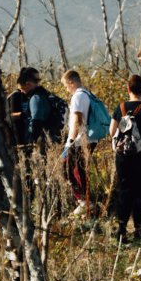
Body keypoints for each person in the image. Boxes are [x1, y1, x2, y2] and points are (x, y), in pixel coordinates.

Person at [110, 75, 141, 242]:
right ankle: (138, 229)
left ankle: (121, 228)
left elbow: (111, 132)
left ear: (128, 90)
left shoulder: (121, 108)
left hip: (123, 157)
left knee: (124, 190)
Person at [60, 69, 97, 216]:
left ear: (71, 82)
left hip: (80, 140)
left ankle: (84, 201)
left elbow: (77, 119)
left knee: (67, 168)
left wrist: (70, 140)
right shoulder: (87, 93)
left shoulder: (77, 96)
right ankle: (86, 202)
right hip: (88, 138)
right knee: (79, 169)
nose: (66, 89)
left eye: (65, 85)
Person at [8, 67, 62, 147]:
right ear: (28, 83)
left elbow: (37, 122)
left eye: (38, 81)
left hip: (40, 140)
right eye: (36, 81)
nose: (37, 84)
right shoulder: (15, 96)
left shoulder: (37, 97)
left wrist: (31, 141)